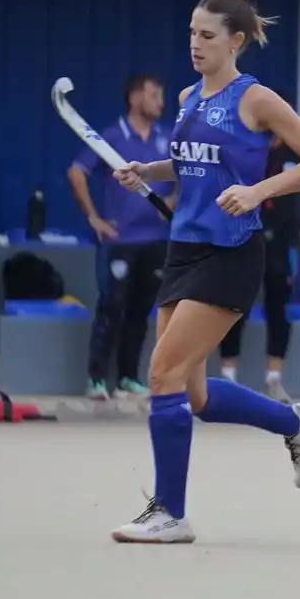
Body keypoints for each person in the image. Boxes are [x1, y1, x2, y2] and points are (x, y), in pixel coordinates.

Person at [106, 0, 300, 544]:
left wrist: (260, 192)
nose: (195, 43)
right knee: (194, 393)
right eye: (191, 32)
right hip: (184, 250)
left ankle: (171, 514)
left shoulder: (256, 99)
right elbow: (190, 164)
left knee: (159, 372)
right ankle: (296, 422)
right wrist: (147, 170)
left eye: (207, 35)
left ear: (235, 40)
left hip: (231, 253)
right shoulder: (189, 100)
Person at [67, 74, 173, 400]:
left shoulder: (166, 137)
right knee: (111, 307)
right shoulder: (112, 136)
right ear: (134, 97)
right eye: (154, 94)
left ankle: (128, 377)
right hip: (120, 242)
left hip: (156, 240)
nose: (161, 101)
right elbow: (76, 172)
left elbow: (189, 172)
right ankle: (97, 379)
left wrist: (172, 202)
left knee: (141, 311)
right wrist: (93, 217)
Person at [216, 136, 300, 403]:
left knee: (278, 308)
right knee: (236, 306)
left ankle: (273, 380)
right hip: (244, 237)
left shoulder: (295, 154)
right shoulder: (244, 148)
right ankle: (228, 376)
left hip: (281, 243)